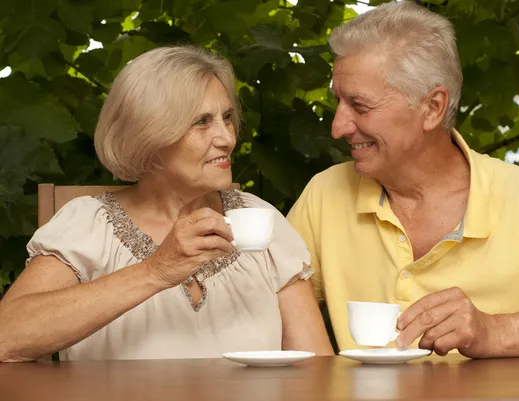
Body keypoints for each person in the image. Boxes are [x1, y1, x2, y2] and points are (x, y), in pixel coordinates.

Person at [287, 1, 519, 358]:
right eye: (338, 102)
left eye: (359, 106)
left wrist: (496, 331)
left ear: (433, 107)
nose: (338, 127)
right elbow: (260, 306)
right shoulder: (325, 195)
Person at [0, 46, 333, 362]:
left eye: (227, 117)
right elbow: (6, 337)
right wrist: (156, 270)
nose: (227, 138)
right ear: (148, 135)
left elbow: (317, 370)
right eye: (202, 121)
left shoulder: (258, 219)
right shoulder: (89, 223)